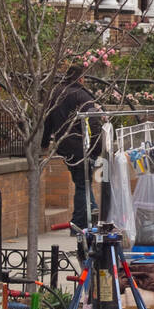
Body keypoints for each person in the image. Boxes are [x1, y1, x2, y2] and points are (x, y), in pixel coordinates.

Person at [42, 64, 103, 230]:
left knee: (82, 182)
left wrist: (44, 144)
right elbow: (94, 121)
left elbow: (47, 121)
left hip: (63, 144)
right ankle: (79, 223)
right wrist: (96, 148)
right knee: (83, 184)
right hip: (80, 145)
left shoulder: (56, 93)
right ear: (81, 78)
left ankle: (92, 213)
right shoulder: (82, 96)